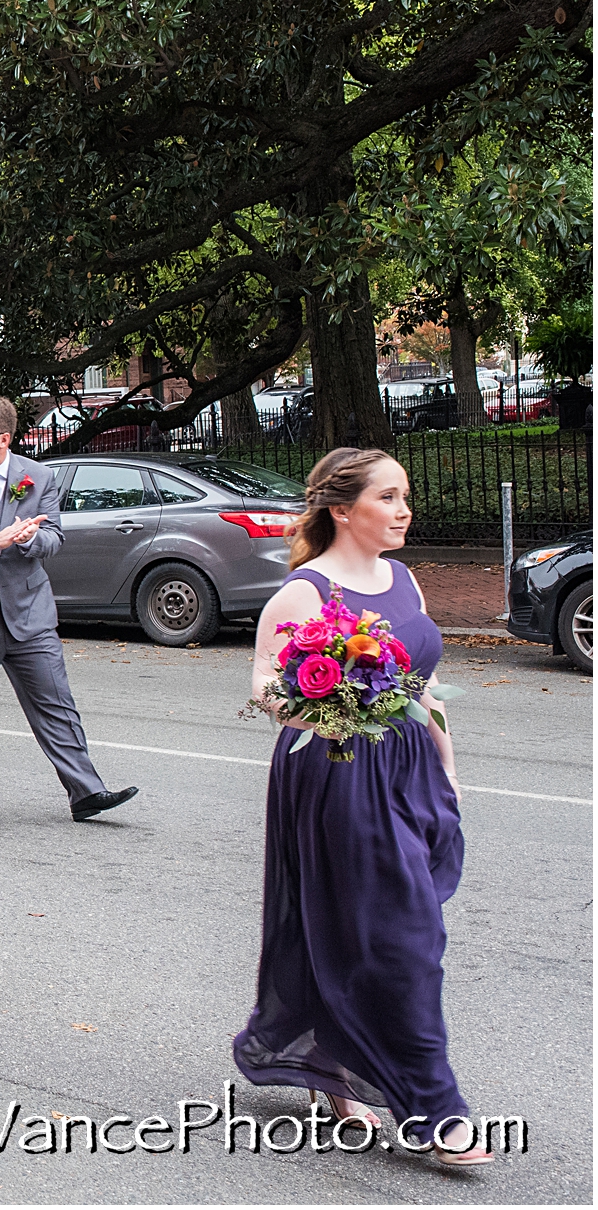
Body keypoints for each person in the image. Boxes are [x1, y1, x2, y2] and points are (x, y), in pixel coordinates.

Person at [233, 448, 490, 1168]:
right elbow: (266, 687)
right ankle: (435, 1111)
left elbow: (425, 687)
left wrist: (448, 770)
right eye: (389, 496)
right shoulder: (305, 594)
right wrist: (333, 711)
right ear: (343, 510)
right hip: (341, 772)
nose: (405, 509)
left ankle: (328, 1062)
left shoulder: (404, 580)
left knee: (359, 928)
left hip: (410, 772)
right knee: (405, 942)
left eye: (405, 495)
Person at [0, 396, 138, 822]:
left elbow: (53, 536)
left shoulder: (37, 476)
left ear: (4, 439)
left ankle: (86, 792)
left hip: (28, 611)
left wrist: (28, 540)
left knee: (56, 702)